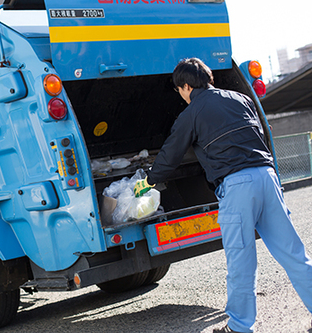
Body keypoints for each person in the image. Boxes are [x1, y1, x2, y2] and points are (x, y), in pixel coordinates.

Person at [133, 58, 312, 333]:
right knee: (294, 254)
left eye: (178, 90)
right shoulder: (241, 98)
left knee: (241, 261)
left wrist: (150, 181)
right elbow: (260, 133)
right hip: (267, 176)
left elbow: (170, 154)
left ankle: (240, 327)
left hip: (238, 186)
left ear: (185, 86)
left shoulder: (191, 113)